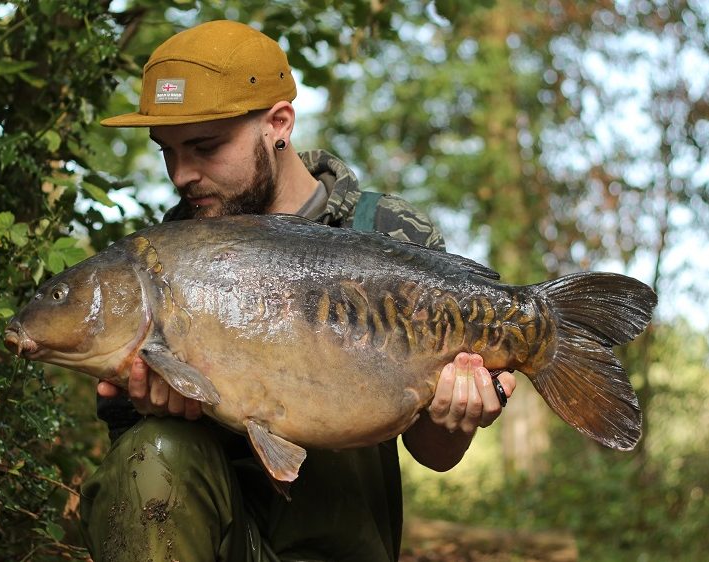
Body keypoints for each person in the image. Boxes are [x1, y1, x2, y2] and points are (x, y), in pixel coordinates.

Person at [80, 19, 516, 562]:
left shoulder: (390, 232)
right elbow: (135, 485)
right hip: (208, 544)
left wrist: (458, 414)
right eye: (166, 151)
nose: (181, 175)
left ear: (278, 122)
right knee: (152, 450)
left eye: (204, 146)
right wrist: (160, 409)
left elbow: (435, 454)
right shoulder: (153, 265)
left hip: (345, 544)